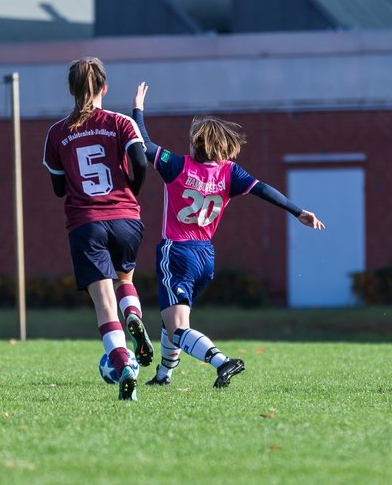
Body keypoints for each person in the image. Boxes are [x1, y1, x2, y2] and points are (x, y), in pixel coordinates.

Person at [130, 83, 325, 388]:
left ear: (197, 143)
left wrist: (137, 109)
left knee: (177, 324)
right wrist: (297, 211)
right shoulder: (229, 172)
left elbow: (143, 143)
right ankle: (163, 375)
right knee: (172, 318)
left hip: (177, 251)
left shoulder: (178, 166)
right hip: (205, 257)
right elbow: (263, 189)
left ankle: (222, 361)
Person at [43, 57, 153, 401]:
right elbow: (140, 161)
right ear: (105, 87)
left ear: (71, 89)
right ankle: (134, 315)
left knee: (104, 304)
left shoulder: (58, 132)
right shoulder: (121, 123)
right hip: (126, 219)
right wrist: (131, 191)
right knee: (125, 281)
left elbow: (59, 188)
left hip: (86, 223)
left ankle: (123, 366)